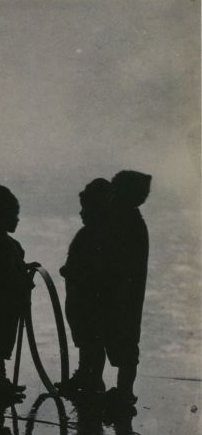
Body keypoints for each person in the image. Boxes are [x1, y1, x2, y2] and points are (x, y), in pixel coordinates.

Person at [58, 178, 112, 397]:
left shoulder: (99, 235)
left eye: (86, 208)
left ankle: (93, 379)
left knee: (93, 342)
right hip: (80, 300)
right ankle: (85, 375)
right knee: (86, 342)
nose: (81, 213)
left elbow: (94, 270)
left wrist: (70, 272)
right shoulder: (91, 234)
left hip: (90, 301)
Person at [0, 185, 32, 403]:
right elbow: (5, 273)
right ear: (1, 215)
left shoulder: (0, 239)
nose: (17, 220)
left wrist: (25, 268)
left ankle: (0, 381)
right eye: (13, 215)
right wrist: (23, 279)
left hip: (4, 304)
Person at [103, 170, 152, 409]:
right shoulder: (132, 221)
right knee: (127, 342)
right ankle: (124, 391)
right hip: (128, 294)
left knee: (124, 343)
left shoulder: (126, 222)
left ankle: (124, 392)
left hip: (122, 294)